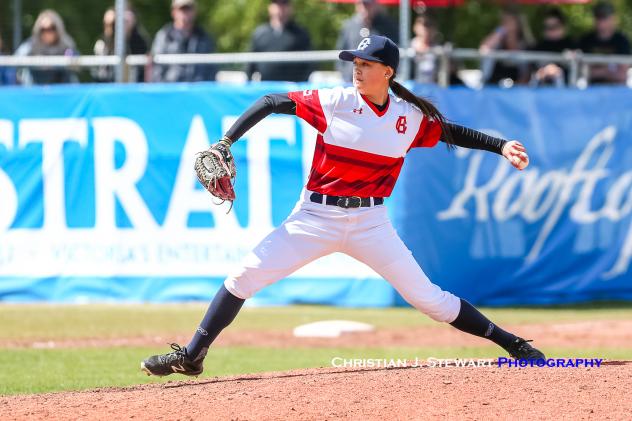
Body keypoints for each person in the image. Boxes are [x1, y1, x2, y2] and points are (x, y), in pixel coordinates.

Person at [140, 35, 545, 377]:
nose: (356, 67)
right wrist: (227, 141)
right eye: (354, 60)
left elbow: (451, 132)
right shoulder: (336, 101)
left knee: (431, 300)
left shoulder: (407, 117)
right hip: (315, 216)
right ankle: (192, 356)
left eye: (366, 62)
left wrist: (500, 145)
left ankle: (511, 343)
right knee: (244, 276)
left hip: (371, 222)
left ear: (387, 71)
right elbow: (271, 101)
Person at [151, 0, 217, 82]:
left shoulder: (204, 37)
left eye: (188, 9)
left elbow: (211, 68)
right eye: (181, 9)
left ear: (195, 12)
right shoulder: (164, 36)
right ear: (173, 12)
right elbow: (156, 69)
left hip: (198, 90)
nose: (185, 13)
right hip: (171, 90)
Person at [246, 0, 312, 82]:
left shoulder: (300, 34)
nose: (280, 8)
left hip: (292, 90)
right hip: (266, 89)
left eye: (284, 3)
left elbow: (310, 64)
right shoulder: (260, 34)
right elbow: (250, 66)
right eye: (276, 3)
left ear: (290, 8)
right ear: (270, 7)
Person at [336, 0, 398, 82]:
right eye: (361, 4)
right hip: (351, 79)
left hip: (377, 80)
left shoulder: (388, 26)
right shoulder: (349, 25)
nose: (364, 7)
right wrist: (344, 73)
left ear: (375, 4)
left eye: (368, 4)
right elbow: (340, 51)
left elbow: (395, 52)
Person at [14, 9, 79, 85]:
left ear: (58, 29)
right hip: (36, 87)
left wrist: (66, 61)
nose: (47, 33)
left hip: (60, 87)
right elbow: (16, 60)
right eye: (43, 29)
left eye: (51, 28)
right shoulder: (31, 45)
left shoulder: (66, 44)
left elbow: (76, 63)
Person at [93, 6, 150, 83]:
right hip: (108, 83)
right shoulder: (103, 43)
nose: (109, 27)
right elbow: (100, 71)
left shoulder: (139, 41)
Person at [579, 1, 630, 85]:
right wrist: (609, 71)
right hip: (590, 90)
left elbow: (622, 75)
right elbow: (582, 72)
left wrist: (596, 72)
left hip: (617, 90)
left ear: (613, 18)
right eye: (598, 17)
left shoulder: (622, 41)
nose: (601, 21)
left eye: (604, 17)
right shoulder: (586, 40)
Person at [479, 7, 533, 87]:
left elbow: (526, 75)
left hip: (516, 91)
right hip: (493, 89)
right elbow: (483, 50)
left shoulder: (524, 47)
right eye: (505, 22)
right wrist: (500, 31)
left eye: (511, 21)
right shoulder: (496, 45)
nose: (509, 25)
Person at [530, 8, 576, 87]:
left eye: (554, 26)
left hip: (566, 89)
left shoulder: (571, 44)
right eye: (547, 27)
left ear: (563, 26)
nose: (551, 30)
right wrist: (544, 71)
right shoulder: (539, 46)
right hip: (540, 88)